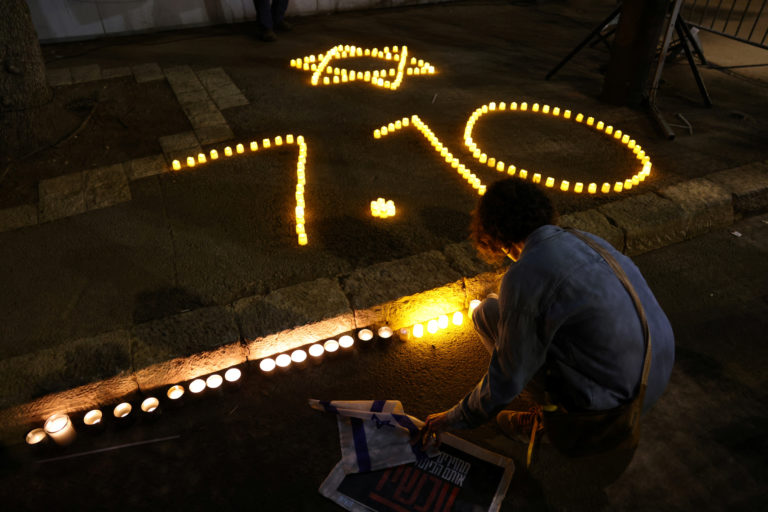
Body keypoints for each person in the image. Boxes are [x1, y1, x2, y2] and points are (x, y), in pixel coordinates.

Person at [421, 177, 674, 457]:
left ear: (496, 236)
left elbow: (509, 376)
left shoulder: (525, 274)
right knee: (493, 311)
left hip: (616, 407)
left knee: (486, 317)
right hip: (656, 371)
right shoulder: (583, 238)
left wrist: (453, 418)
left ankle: (557, 421)